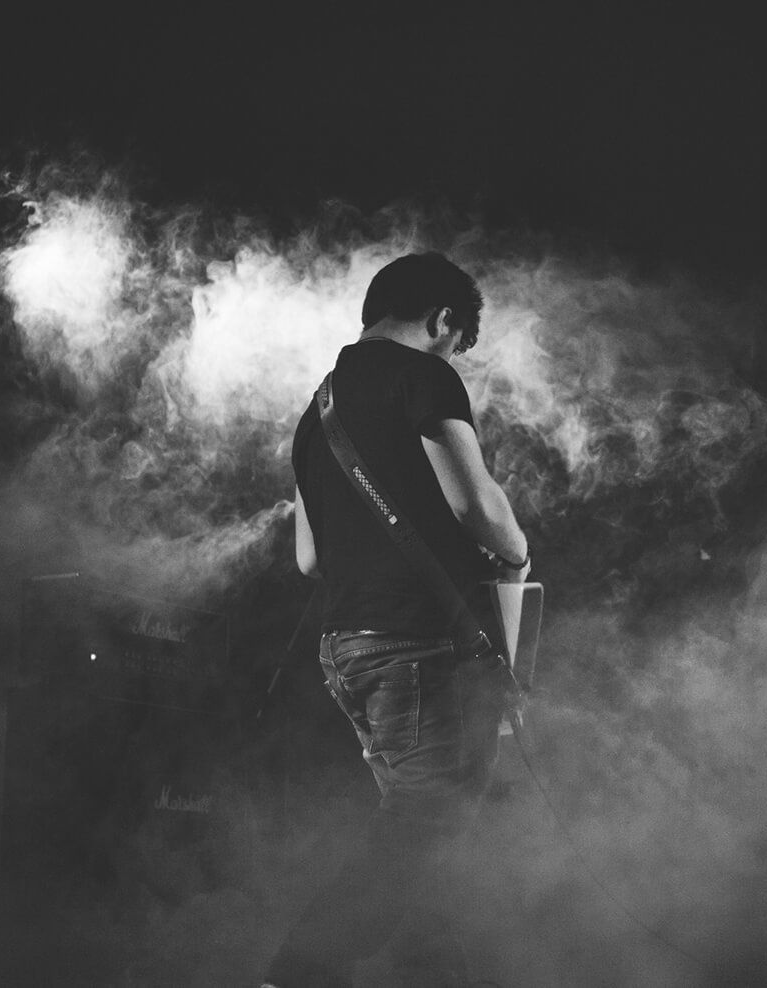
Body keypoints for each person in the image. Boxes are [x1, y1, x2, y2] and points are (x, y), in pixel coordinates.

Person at [263, 252, 531, 988]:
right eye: (459, 342)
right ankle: (296, 972)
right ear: (444, 320)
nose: (456, 358)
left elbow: (311, 560)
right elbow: (477, 505)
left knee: (429, 847)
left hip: (349, 651)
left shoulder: (314, 413)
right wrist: (517, 551)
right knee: (424, 827)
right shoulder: (424, 375)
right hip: (419, 646)